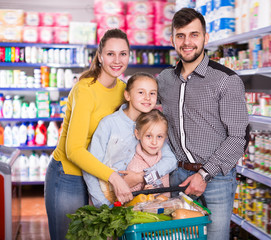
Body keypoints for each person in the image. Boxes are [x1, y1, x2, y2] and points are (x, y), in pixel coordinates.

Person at [157, 8, 249, 240]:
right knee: (178, 237)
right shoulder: (164, 80)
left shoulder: (226, 80)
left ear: (206, 38)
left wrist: (205, 174)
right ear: (172, 40)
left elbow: (238, 137)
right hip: (176, 176)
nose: (187, 42)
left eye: (194, 35)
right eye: (180, 36)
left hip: (216, 178)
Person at [44, 28, 133, 240]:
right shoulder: (85, 90)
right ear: (100, 56)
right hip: (69, 175)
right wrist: (113, 177)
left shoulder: (123, 90)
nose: (117, 60)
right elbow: (74, 150)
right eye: (110, 54)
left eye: (123, 53)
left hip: (98, 176)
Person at [83, 73, 177, 207]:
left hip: (138, 203)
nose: (147, 98)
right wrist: (103, 205)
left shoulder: (152, 125)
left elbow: (170, 161)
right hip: (107, 201)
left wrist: (142, 177)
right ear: (127, 95)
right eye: (141, 92)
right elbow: (90, 167)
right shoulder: (109, 124)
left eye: (152, 93)